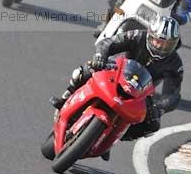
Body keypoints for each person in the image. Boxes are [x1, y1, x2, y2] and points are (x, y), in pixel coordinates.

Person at [50, 15, 183, 159]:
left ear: (174, 44)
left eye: (167, 45)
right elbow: (108, 43)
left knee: (152, 125)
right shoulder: (138, 36)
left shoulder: (175, 63)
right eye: (158, 41)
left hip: (142, 92)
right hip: (117, 72)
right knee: (84, 71)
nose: (160, 47)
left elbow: (173, 95)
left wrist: (160, 108)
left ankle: (111, 139)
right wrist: (100, 56)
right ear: (150, 35)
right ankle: (65, 98)